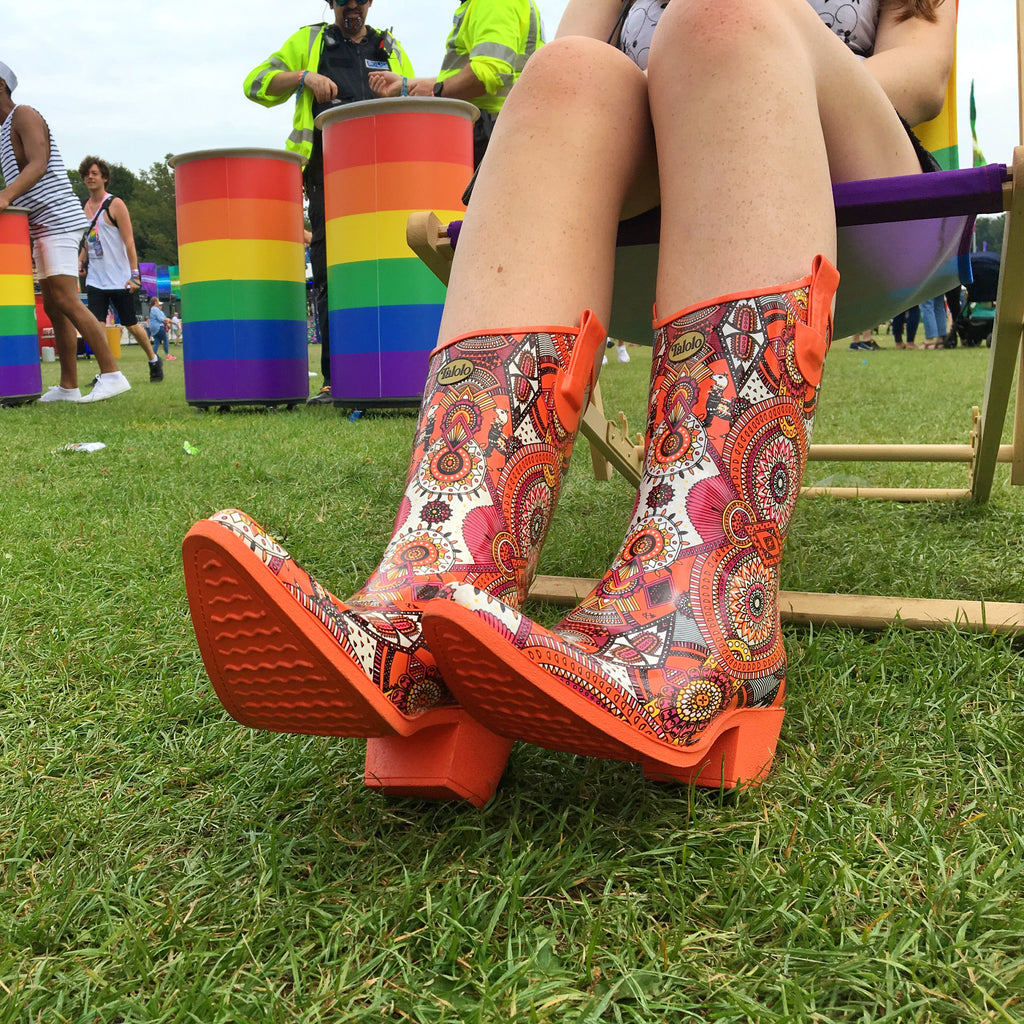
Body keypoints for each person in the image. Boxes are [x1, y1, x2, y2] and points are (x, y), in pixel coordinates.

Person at [185, 0, 956, 800]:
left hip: (856, 169)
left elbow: (924, 76)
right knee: (563, 73)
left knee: (721, 18)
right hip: (645, 186)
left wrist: (718, 77)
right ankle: (440, 592)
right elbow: (575, 43)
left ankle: (712, 610)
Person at [244, 0, 415, 405]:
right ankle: (335, 380)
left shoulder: (390, 47)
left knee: (385, 275)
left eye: (358, 1)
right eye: (342, 2)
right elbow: (255, 84)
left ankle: (390, 370)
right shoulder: (310, 40)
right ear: (331, 4)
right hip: (327, 179)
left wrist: (401, 85)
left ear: (370, 3)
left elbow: (411, 105)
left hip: (383, 185)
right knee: (329, 279)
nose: (350, 8)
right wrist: (303, 77)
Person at [0, 63, 131, 403]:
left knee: (66, 299)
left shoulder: (23, 114)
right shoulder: (1, 129)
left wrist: (5, 195)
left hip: (57, 218)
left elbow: (39, 162)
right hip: (39, 223)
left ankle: (112, 374)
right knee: (56, 306)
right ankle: (69, 386)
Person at [368, 0, 544, 167]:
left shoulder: (491, 3)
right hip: (497, 134)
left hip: (490, 137)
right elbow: (474, 72)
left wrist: (435, 92)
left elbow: (487, 74)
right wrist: (406, 85)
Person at [78, 156, 163, 382]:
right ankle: (107, 372)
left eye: (95, 173)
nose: (90, 177)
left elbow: (129, 242)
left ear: (104, 178)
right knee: (96, 328)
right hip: (96, 279)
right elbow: (89, 238)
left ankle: (154, 359)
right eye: (87, 174)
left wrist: (135, 277)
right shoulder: (84, 206)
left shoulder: (115, 204)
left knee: (131, 325)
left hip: (120, 278)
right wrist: (81, 259)